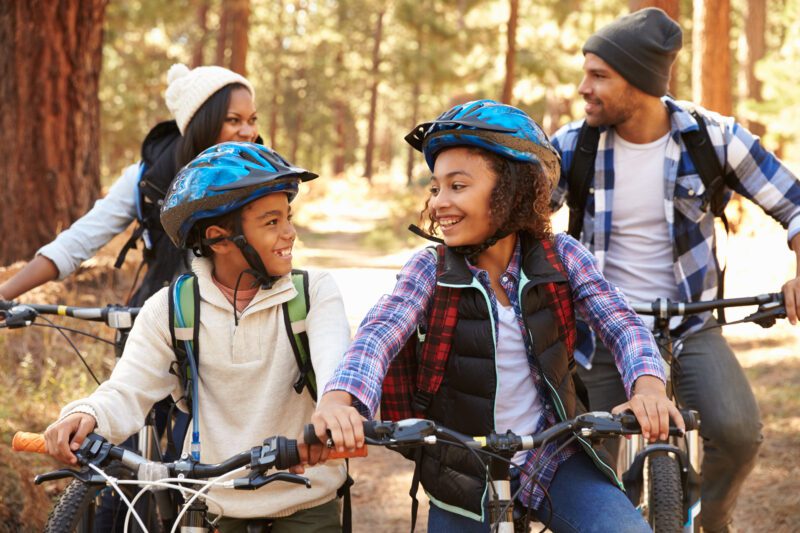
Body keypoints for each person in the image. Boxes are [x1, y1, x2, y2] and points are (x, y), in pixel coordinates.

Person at [307, 99, 684, 533]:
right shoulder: (429, 269)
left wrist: (649, 388)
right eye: (435, 188)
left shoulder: (561, 256)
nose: (438, 203)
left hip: (555, 456)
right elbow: (379, 333)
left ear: (513, 190)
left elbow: (620, 321)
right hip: (462, 472)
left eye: (458, 186)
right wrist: (340, 402)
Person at [549, 8, 800, 533]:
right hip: (602, 328)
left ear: (637, 82)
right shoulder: (575, 145)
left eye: (598, 76)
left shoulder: (713, 138)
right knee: (591, 449)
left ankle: (712, 521)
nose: (582, 88)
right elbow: (516, 222)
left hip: (692, 322)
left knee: (737, 432)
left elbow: (795, 204)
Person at [43, 142, 351, 532]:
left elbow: (335, 366)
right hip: (215, 505)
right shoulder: (173, 309)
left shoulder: (313, 293)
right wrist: (86, 414)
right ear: (220, 239)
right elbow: (127, 388)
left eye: (288, 217)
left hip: (307, 500)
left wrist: (336, 407)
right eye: (272, 222)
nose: (290, 233)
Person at [0, 63, 260, 307]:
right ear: (202, 123)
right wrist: (4, 293)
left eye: (252, 120)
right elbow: (78, 241)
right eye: (233, 120)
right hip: (163, 319)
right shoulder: (148, 178)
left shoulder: (264, 176)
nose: (248, 132)